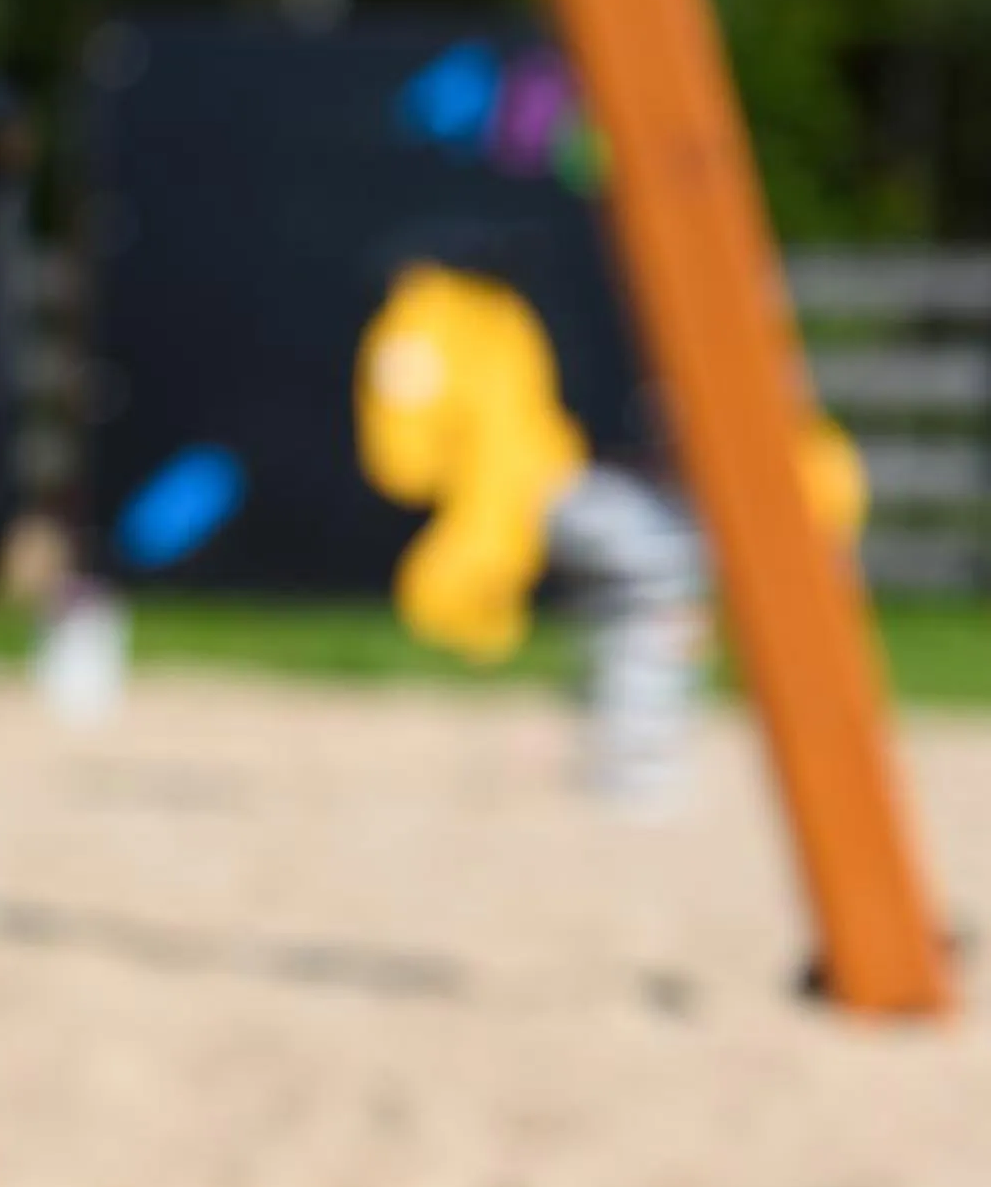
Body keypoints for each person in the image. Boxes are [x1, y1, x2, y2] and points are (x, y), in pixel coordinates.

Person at [354, 258, 864, 804]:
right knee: (659, 580)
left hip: (605, 485)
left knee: (654, 592)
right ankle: (637, 758)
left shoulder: (565, 297)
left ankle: (633, 746)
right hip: (579, 486)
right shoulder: (543, 306)